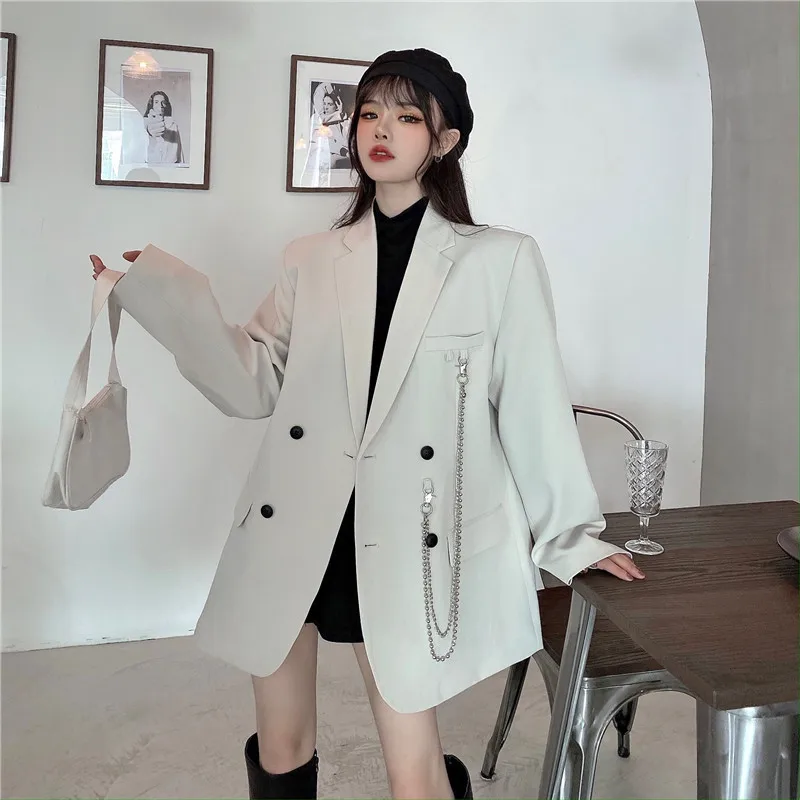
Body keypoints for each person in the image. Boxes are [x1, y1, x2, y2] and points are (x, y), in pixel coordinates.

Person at [89, 48, 645, 800]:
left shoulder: (497, 261)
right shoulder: (312, 258)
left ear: (444, 141)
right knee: (280, 743)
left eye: (407, 116)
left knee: (411, 765)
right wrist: (164, 301)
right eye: (370, 113)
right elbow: (255, 384)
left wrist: (571, 537)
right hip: (296, 522)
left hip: (406, 536)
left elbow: (532, 410)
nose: (381, 130)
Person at [143, 90, 184, 165]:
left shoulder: (173, 126)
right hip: (151, 165)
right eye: (156, 102)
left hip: (170, 167)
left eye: (163, 102)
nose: (160, 105)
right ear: (152, 105)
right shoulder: (145, 122)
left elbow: (179, 152)